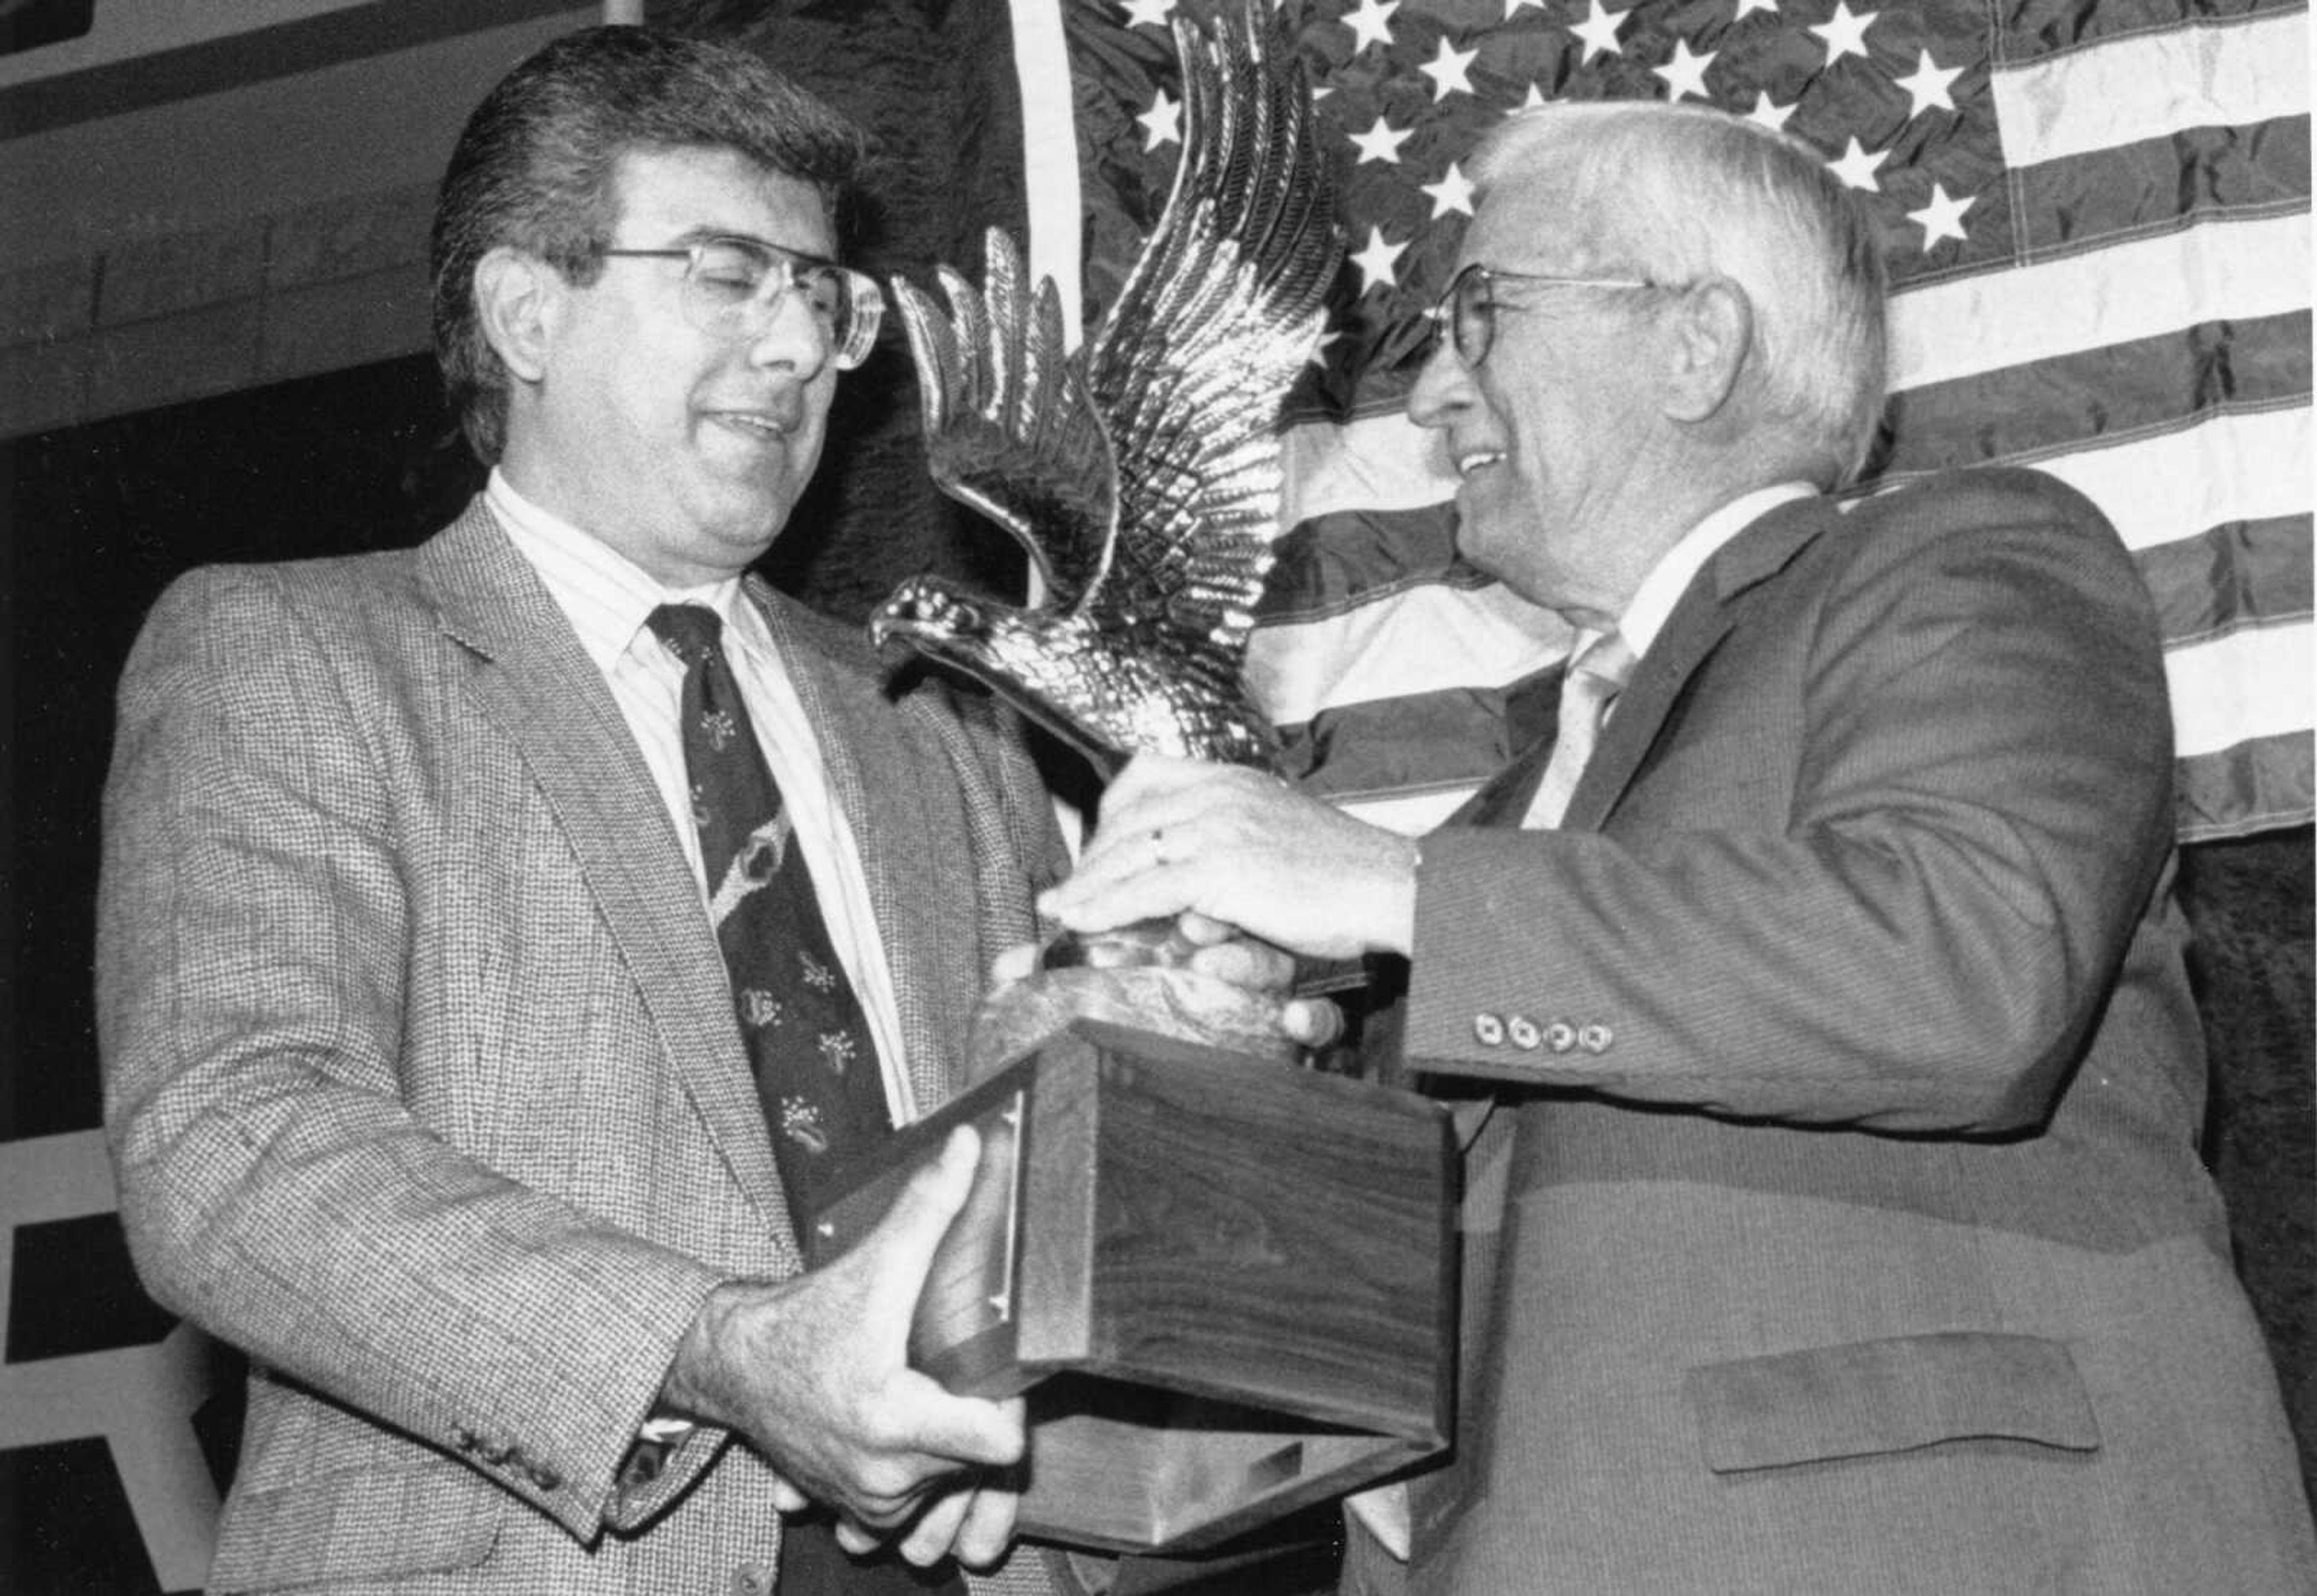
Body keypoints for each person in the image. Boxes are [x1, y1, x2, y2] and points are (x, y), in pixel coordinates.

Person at [1042, 100, 2317, 1593]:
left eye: (1481, 315)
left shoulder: (1972, 560)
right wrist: (1044, 1445)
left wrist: (1388, 890)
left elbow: (1970, 966)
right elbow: (1342, 1320)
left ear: (1695, 344)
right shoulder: (1506, 834)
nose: (1432, 398)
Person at [96, 25, 1301, 1595]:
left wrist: (1179, 1043)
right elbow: (237, 1144)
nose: (801, 347)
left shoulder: (935, 719)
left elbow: (1043, 1155)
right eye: (731, 274)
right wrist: (718, 1350)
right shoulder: (293, 656)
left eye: (824, 295)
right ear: (527, 310)